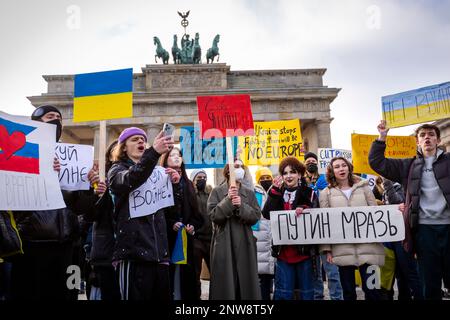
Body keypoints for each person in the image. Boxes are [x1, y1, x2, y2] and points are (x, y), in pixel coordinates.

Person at [9, 105, 98, 300]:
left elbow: (81, 208)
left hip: (68, 246)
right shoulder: (18, 153)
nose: (56, 120)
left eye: (59, 117)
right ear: (35, 122)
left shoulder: (73, 159)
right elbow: (14, 197)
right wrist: (41, 170)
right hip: (33, 244)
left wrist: (89, 187)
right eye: (50, 116)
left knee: (68, 294)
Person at [369, 121, 450, 300]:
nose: (427, 137)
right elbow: (377, 162)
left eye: (431, 134)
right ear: (417, 142)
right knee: (429, 283)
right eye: (423, 135)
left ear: (438, 140)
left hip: (448, 228)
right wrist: (382, 137)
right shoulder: (408, 166)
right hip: (424, 231)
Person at [108, 127, 179, 301]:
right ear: (123, 147)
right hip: (134, 257)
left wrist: (174, 185)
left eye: (142, 139)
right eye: (134, 139)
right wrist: (153, 152)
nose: (140, 141)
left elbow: (170, 212)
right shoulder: (116, 170)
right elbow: (131, 179)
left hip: (159, 256)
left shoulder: (157, 173)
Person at [319, 156, 385, 301]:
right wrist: (327, 250)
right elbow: (325, 223)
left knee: (373, 291)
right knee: (349, 293)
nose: (341, 169)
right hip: (343, 251)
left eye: (344, 165)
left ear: (349, 167)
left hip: (369, 248)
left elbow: (375, 213)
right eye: (337, 167)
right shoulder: (326, 193)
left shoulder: (365, 188)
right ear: (332, 171)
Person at [262, 156, 317, 300]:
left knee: (306, 293)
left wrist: (305, 209)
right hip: (284, 253)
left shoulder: (309, 193)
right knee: (284, 292)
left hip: (304, 253)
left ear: (299, 174)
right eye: (285, 173)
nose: (288, 176)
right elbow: (267, 214)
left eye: (292, 172)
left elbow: (316, 214)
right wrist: (274, 191)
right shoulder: (276, 192)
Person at [207, 159, 262, 300]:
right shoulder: (217, 191)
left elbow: (256, 216)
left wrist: (241, 206)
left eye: (241, 166)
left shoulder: (249, 193)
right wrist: (228, 201)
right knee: (225, 284)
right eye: (236, 166)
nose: (239, 169)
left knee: (246, 282)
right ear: (228, 170)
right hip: (224, 242)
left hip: (245, 242)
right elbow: (213, 215)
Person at [160, 147, 203, 301]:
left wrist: (192, 225)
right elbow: (158, 212)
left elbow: (197, 215)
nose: (176, 158)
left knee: (187, 280)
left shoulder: (189, 184)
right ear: (165, 160)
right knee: (169, 278)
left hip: (186, 240)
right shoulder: (159, 181)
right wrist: (171, 224)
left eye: (179, 155)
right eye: (172, 155)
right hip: (167, 240)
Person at [84, 140, 121, 300]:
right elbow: (88, 215)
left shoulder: (136, 179)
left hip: (130, 249)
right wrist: (96, 193)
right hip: (105, 250)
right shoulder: (99, 179)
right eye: (118, 150)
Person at [303, 152, 343, 300]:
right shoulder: (301, 180)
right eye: (308, 161)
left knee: (332, 270)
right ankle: (317, 296)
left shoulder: (326, 180)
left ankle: (336, 297)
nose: (311, 163)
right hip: (310, 231)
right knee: (314, 272)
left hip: (327, 230)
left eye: (314, 161)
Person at [380, 178, 423, 300]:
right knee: (399, 273)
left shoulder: (401, 184)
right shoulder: (382, 187)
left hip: (403, 236)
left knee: (409, 272)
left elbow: (398, 202)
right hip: (390, 237)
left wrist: (387, 183)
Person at [253, 167, 276, 300]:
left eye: (268, 178)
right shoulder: (254, 193)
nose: (266, 180)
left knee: (275, 274)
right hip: (260, 239)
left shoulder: (276, 192)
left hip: (273, 238)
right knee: (263, 276)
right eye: (262, 178)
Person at [190, 169, 212, 299]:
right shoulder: (191, 194)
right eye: (199, 177)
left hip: (210, 238)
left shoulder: (210, 194)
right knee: (195, 273)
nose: (202, 179)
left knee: (215, 272)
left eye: (204, 177)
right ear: (193, 180)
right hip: (196, 239)